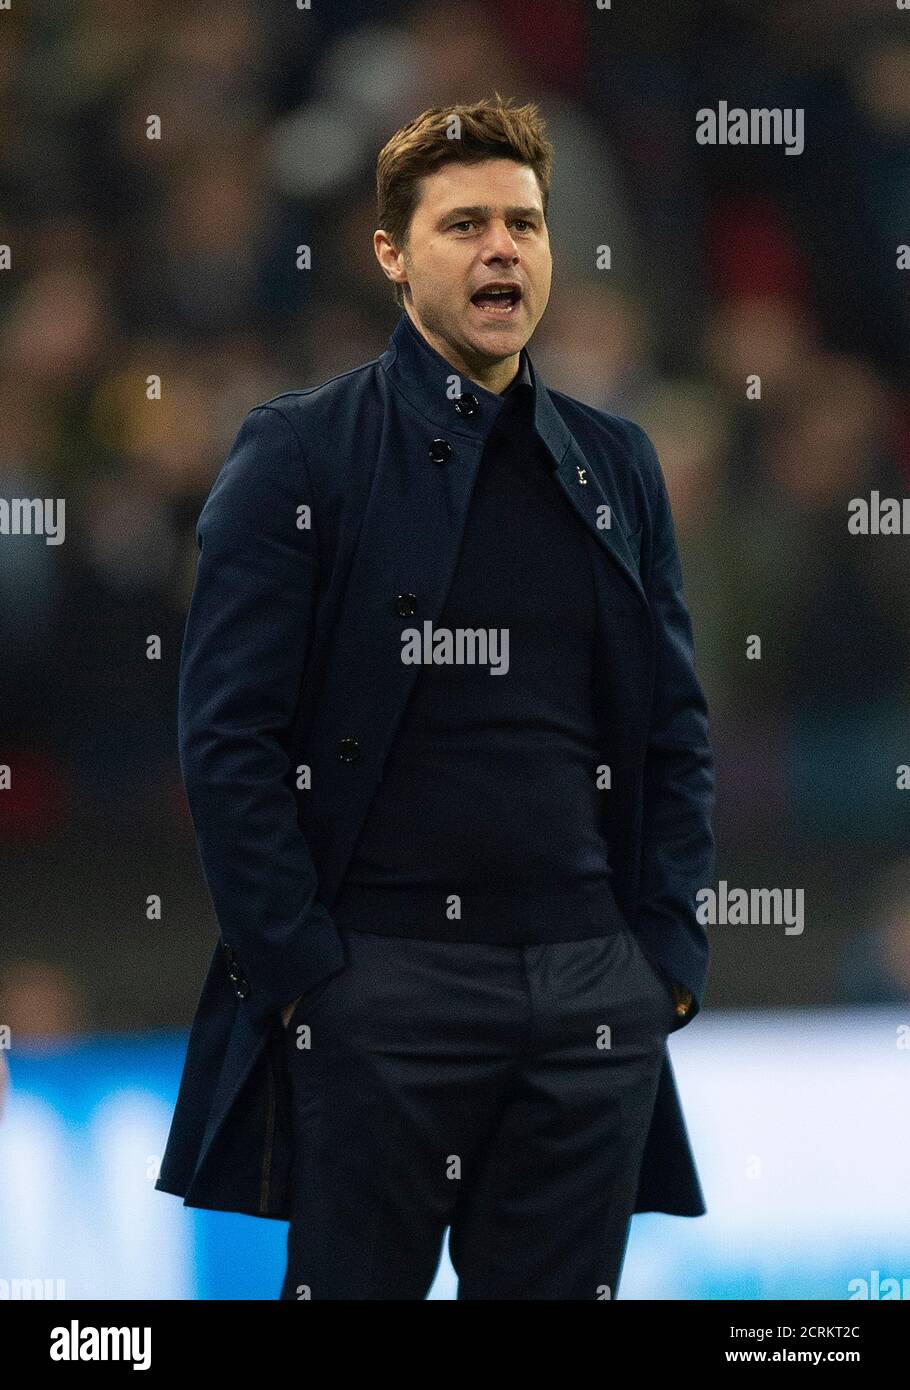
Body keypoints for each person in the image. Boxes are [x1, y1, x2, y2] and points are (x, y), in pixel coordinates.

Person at [155, 94, 715, 1301]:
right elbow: (226, 739)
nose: (501, 248)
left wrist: (660, 954)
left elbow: (674, 728)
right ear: (391, 255)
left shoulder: (616, 463)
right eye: (463, 224)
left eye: (523, 223)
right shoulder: (299, 452)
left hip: (588, 997)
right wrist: (307, 973)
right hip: (379, 987)